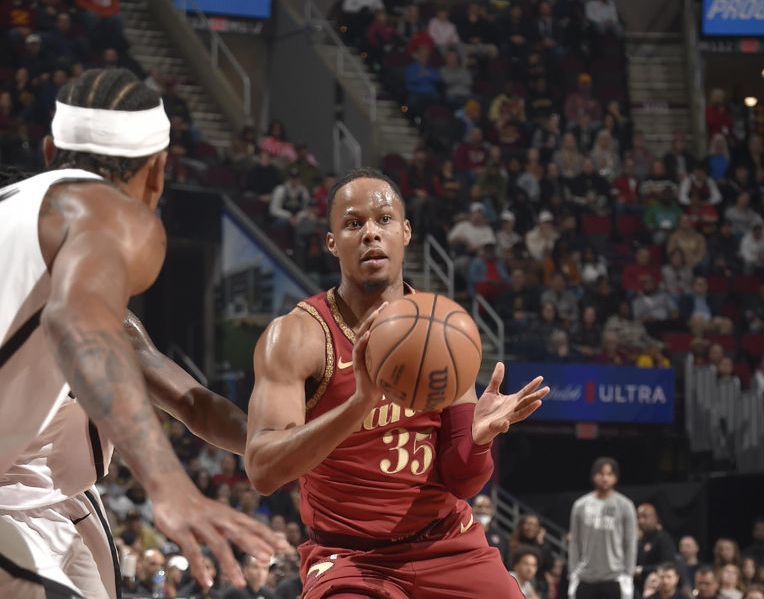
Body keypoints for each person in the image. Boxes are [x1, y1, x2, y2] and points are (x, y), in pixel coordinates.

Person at [0, 68, 283, 597]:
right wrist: (170, 484)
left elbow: (196, 405)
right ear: (157, 171)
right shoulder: (114, 214)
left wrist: (290, 447)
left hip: (64, 501)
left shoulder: (27, 228)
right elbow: (74, 323)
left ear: (47, 151)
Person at [243, 167, 551, 598]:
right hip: (349, 559)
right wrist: (358, 405)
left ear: (405, 232)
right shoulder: (298, 335)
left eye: (384, 220)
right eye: (353, 223)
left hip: (447, 546)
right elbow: (262, 469)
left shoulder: (443, 329)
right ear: (332, 243)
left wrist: (478, 439)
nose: (371, 233)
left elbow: (463, 481)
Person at [568, 457, 637, 599]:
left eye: (609, 474)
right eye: (601, 474)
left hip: (615, 576)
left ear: (615, 478)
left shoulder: (625, 505)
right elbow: (575, 541)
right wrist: (573, 572)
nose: (605, 478)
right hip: (585, 576)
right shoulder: (580, 505)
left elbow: (630, 542)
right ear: (594, 476)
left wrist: (628, 574)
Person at [636, 504, 677, 585]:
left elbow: (668, 565)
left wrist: (642, 570)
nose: (640, 521)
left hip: (658, 584)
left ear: (655, 518)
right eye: (638, 517)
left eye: (645, 516)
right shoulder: (638, 540)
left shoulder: (663, 538)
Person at [473, 494, 509, 559]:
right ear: (472, 508)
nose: (483, 510)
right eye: (479, 507)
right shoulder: (464, 532)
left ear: (492, 511)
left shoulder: (501, 536)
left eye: (487, 507)